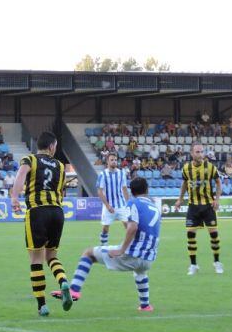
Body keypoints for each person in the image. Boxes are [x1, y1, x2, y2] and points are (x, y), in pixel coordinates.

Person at [52, 177, 159, 312]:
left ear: (131, 191)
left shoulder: (133, 203)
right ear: (147, 189)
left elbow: (132, 227)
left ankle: (74, 290)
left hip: (133, 254)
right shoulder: (154, 206)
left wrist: (121, 250)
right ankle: (145, 305)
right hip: (148, 258)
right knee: (140, 272)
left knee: (88, 253)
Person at [10, 131, 72, 317]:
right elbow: (62, 193)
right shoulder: (60, 166)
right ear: (52, 146)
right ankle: (62, 282)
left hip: (37, 211)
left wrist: (14, 197)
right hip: (57, 212)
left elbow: (21, 174)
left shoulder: (29, 159)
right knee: (51, 256)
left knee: (36, 260)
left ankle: (42, 305)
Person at [175, 143, 224, 275]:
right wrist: (180, 199)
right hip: (193, 206)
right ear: (192, 153)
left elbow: (219, 182)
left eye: (202, 152)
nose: (200, 154)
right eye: (197, 152)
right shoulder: (186, 168)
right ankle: (193, 265)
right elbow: (184, 184)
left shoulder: (210, 167)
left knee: (214, 235)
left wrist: (217, 199)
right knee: (190, 235)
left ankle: (217, 262)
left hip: (208, 206)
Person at [96, 153, 130, 247]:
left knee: (128, 225)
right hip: (109, 206)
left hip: (121, 205)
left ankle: (130, 245)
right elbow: (99, 191)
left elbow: (124, 189)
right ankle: (103, 246)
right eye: (112, 160)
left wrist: (129, 203)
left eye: (115, 159)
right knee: (105, 228)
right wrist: (107, 205)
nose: (114, 161)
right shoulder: (103, 174)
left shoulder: (121, 173)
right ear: (107, 161)